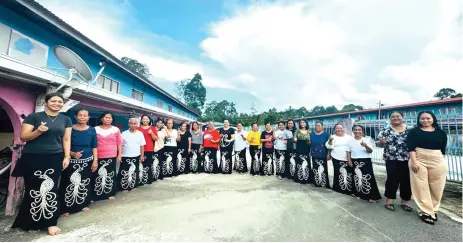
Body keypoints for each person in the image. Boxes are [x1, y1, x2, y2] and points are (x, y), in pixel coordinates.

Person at [11, 92, 72, 236]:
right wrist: (38, 131)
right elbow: (23, 137)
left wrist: (67, 156)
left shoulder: (66, 119)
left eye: (60, 101)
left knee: (51, 189)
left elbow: (67, 139)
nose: (57, 104)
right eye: (53, 101)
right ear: (46, 102)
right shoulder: (34, 117)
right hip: (33, 157)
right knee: (33, 189)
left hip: (54, 157)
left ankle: (50, 223)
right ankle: (32, 221)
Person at [408, 111, 448, 225]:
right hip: (419, 159)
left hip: (437, 159)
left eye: (428, 118)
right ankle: (425, 212)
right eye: (422, 118)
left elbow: (443, 150)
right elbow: (411, 148)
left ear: (433, 119)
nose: (425, 120)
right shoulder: (414, 132)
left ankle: (433, 210)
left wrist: (441, 161)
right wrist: (414, 162)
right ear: (419, 120)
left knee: (437, 186)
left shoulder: (441, 133)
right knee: (421, 187)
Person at [60, 108, 98, 217]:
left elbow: (94, 146)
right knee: (68, 182)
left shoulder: (92, 130)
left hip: (87, 160)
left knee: (84, 182)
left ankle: (83, 204)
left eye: (85, 115)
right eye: (80, 115)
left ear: (88, 117)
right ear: (76, 117)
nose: (82, 117)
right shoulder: (69, 129)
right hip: (70, 161)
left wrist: (95, 160)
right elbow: (63, 143)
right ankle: (66, 207)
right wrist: (71, 153)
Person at [376, 111, 413, 212]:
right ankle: (389, 201)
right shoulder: (385, 129)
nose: (396, 118)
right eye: (393, 117)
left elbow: (415, 143)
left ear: (402, 117)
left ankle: (405, 202)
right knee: (392, 179)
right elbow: (378, 143)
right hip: (391, 159)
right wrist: (381, 142)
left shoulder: (410, 129)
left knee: (406, 180)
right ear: (390, 119)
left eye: (398, 116)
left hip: (407, 158)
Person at [347, 125, 381, 202]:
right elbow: (348, 152)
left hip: (365, 161)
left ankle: (371, 196)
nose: (357, 131)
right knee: (356, 178)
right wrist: (349, 160)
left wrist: (365, 145)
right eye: (355, 130)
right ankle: (358, 194)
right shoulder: (350, 141)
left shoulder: (367, 139)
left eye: (359, 130)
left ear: (362, 131)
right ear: (353, 131)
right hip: (355, 161)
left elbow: (370, 151)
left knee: (368, 178)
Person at [92, 112, 122, 202]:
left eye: (110, 118)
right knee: (96, 175)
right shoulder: (95, 129)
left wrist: (119, 154)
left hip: (111, 155)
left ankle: (109, 193)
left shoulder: (116, 129)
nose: (108, 119)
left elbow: (119, 143)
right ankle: (95, 194)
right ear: (102, 119)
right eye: (106, 117)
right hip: (98, 155)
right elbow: (93, 143)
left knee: (110, 175)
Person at [118, 118, 145, 192]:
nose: (133, 125)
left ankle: (133, 186)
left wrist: (142, 155)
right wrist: (119, 155)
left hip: (136, 155)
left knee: (134, 172)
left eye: (134, 123)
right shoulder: (124, 133)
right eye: (131, 123)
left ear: (137, 124)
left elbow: (142, 145)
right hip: (125, 156)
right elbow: (121, 145)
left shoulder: (140, 133)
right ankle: (124, 186)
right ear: (128, 124)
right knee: (124, 171)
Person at [326, 124, 354, 196]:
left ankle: (349, 189)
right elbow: (329, 146)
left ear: (343, 129)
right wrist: (330, 141)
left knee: (348, 174)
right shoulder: (332, 137)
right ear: (335, 130)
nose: (339, 129)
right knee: (337, 173)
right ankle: (337, 188)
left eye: (341, 128)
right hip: (336, 158)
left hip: (347, 158)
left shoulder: (349, 137)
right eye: (337, 128)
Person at [137, 115, 158, 186]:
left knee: (148, 165)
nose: (145, 120)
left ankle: (148, 179)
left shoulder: (152, 128)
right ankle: (139, 180)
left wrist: (151, 133)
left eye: (147, 119)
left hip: (149, 149)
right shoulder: (138, 128)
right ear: (141, 120)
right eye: (144, 119)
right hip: (139, 149)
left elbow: (156, 139)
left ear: (149, 120)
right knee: (140, 164)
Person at [310, 121, 331, 188]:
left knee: (323, 169)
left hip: (323, 154)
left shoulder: (326, 134)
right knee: (315, 169)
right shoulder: (312, 134)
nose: (317, 127)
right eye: (316, 125)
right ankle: (316, 182)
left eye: (319, 125)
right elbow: (309, 144)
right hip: (314, 154)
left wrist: (328, 154)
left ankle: (324, 183)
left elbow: (330, 145)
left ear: (322, 126)